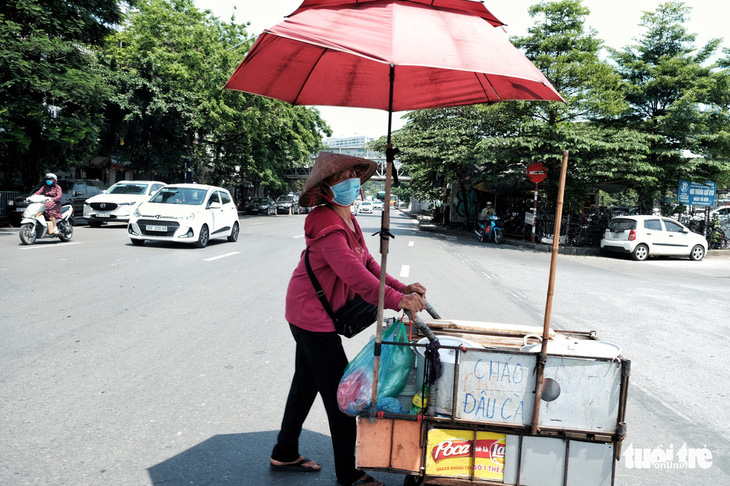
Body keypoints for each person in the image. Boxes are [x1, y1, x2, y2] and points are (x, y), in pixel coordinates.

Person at [270, 152, 427, 486]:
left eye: (353, 176)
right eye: (341, 178)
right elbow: (354, 275)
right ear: (327, 187)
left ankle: (284, 452)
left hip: (308, 312)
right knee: (343, 396)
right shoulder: (326, 223)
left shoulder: (348, 218)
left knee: (306, 383)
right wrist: (398, 300)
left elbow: (368, 263)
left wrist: (403, 287)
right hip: (310, 316)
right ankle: (349, 473)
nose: (350, 182)